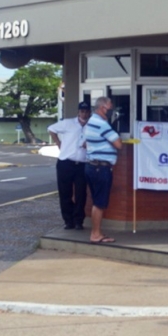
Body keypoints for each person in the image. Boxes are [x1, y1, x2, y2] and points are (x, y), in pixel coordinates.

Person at [83, 96, 123, 244]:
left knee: (96, 201)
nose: (111, 110)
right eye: (110, 108)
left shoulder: (89, 123)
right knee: (99, 203)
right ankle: (95, 234)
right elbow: (119, 144)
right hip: (101, 168)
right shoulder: (102, 124)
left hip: (91, 166)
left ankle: (96, 232)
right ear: (102, 108)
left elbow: (84, 144)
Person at [48, 102, 91, 231]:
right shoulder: (68, 123)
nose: (84, 114)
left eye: (86, 111)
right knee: (65, 193)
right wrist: (58, 142)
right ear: (78, 112)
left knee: (81, 193)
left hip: (82, 164)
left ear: (89, 113)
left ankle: (78, 221)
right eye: (82, 111)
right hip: (66, 162)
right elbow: (51, 129)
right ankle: (68, 220)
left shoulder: (92, 127)